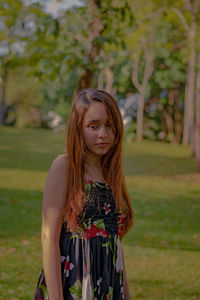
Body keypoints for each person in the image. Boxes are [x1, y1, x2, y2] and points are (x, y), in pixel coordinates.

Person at [33, 89, 134, 300]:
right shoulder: (65, 167)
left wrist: (124, 291)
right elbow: (48, 237)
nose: (103, 134)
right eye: (93, 126)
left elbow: (114, 240)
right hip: (74, 280)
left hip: (107, 281)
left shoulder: (112, 173)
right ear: (78, 127)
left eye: (109, 125)